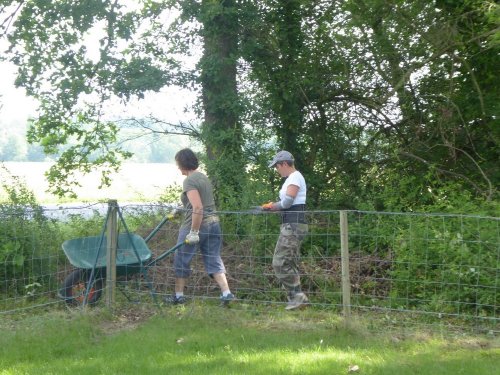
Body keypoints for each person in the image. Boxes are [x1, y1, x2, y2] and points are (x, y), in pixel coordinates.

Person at [166, 148, 234, 305]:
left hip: (196, 224)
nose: (177, 167)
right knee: (213, 258)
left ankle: (178, 296)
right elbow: (198, 201)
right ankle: (226, 293)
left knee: (181, 258)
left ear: (182, 163)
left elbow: (198, 208)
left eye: (178, 164)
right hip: (214, 223)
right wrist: (180, 208)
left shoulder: (189, 181)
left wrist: (194, 232)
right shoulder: (203, 177)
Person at [261, 150, 309, 310]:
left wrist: (272, 207)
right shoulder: (292, 178)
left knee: (279, 262)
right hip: (292, 224)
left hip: (293, 225)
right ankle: (296, 300)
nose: (276, 169)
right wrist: (270, 206)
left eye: (277, 166)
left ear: (284, 164)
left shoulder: (295, 177)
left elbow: (288, 202)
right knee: (289, 262)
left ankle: (297, 296)